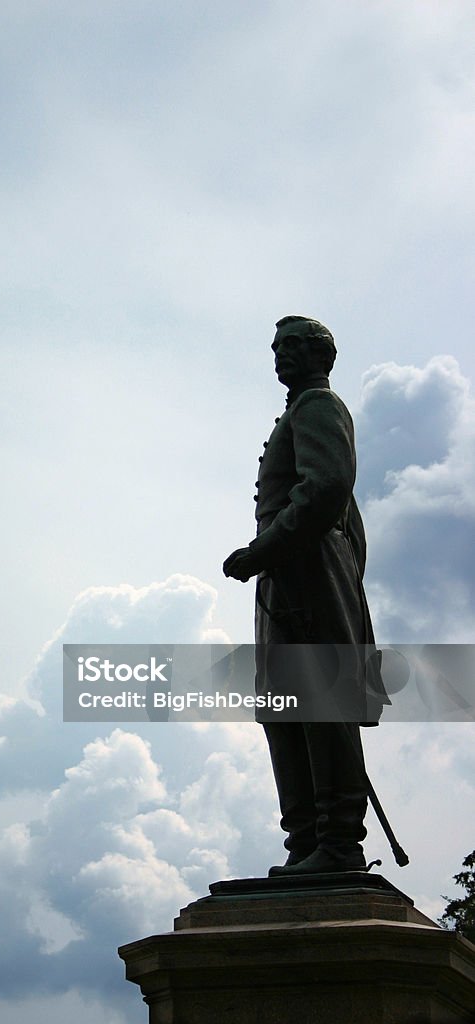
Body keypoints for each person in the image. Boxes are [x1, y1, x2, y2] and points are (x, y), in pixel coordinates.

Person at [223, 315, 387, 875]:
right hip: (288, 571)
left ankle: (338, 843)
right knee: (283, 707)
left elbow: (325, 488)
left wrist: (264, 549)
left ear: (323, 356)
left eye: (294, 345)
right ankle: (306, 843)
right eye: (277, 346)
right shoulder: (298, 410)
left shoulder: (318, 407)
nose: (281, 354)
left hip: (306, 568)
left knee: (320, 702)